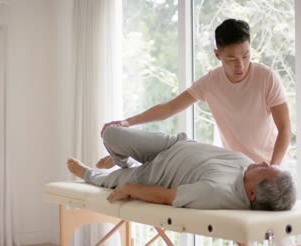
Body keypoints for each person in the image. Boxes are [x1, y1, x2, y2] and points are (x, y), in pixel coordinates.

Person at [100, 18, 291, 166]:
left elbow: (284, 128)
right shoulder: (210, 83)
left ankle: (123, 157)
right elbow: (169, 108)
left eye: (246, 55)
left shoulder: (266, 77)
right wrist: (127, 122)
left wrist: (273, 167)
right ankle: (126, 157)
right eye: (231, 59)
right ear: (218, 55)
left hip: (270, 164)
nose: (240, 65)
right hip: (236, 166)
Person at [69, 126, 296, 211]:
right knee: (110, 133)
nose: (264, 163)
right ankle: (122, 160)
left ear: (252, 193)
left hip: (155, 175)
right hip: (174, 144)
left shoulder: (218, 192)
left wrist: (129, 188)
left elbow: (168, 197)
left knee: (111, 179)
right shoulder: (249, 168)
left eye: (265, 170)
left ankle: (89, 172)